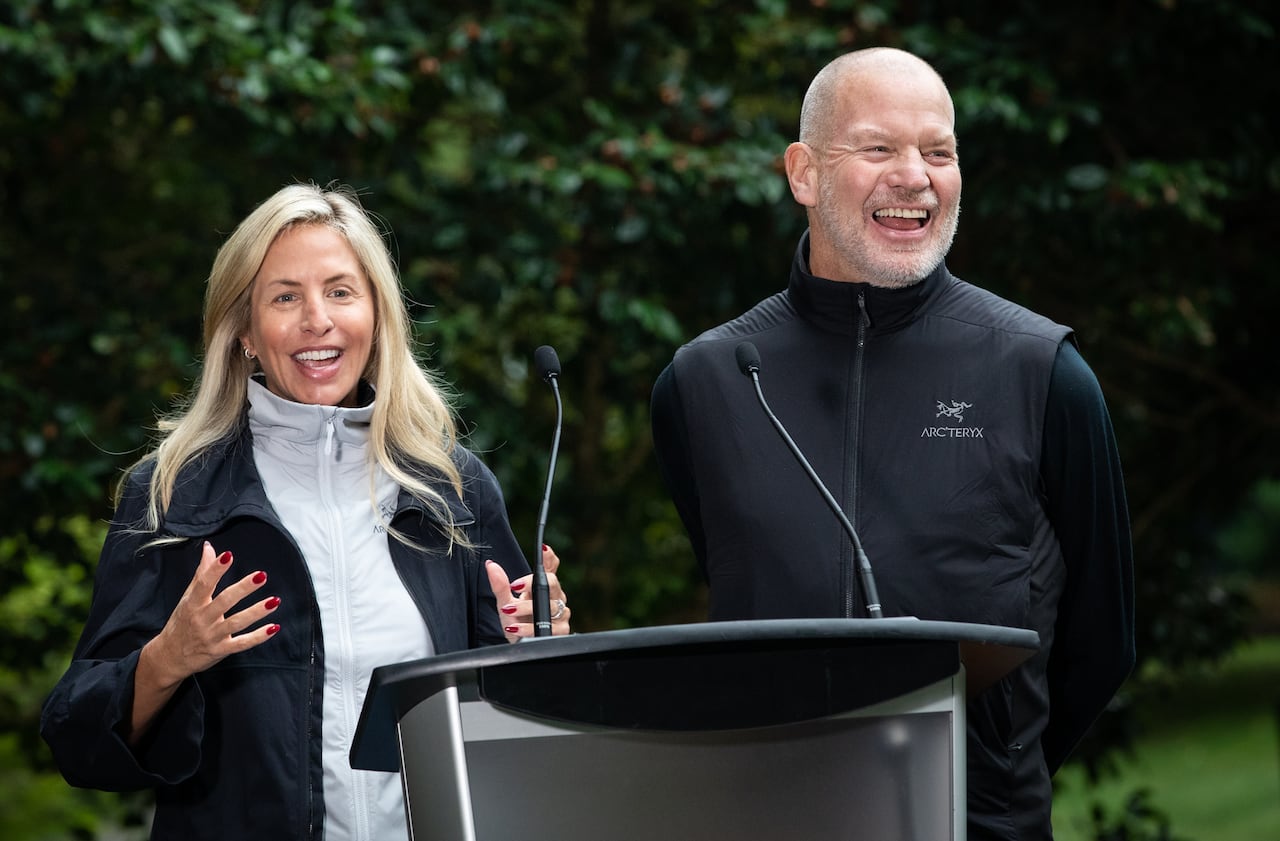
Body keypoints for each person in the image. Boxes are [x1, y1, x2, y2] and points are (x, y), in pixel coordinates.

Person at [650, 47, 1134, 840]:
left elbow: (1101, 640)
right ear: (803, 173)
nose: (915, 176)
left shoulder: (1043, 370)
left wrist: (998, 767)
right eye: (878, 147)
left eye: (938, 152)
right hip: (765, 817)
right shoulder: (704, 384)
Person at [41, 183, 571, 841]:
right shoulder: (175, 495)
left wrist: (536, 647)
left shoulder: (452, 490)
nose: (316, 318)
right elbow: (76, 739)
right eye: (285, 296)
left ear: (376, 315)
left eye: (340, 291)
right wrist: (168, 657)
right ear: (244, 333)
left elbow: (528, 735)